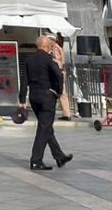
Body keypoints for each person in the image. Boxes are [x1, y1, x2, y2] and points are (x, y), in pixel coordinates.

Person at [20, 35, 73, 171]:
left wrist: (22, 100)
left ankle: (59, 156)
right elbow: (59, 74)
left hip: (33, 97)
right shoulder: (49, 59)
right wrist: (58, 92)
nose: (50, 47)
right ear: (45, 46)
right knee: (43, 128)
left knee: (46, 126)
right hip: (46, 97)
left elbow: (24, 80)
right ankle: (36, 160)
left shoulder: (29, 60)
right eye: (49, 45)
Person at [50, 34, 72, 121]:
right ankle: (67, 113)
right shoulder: (60, 47)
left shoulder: (55, 47)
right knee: (63, 92)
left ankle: (66, 114)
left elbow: (56, 58)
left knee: (59, 91)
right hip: (62, 70)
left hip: (57, 70)